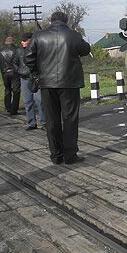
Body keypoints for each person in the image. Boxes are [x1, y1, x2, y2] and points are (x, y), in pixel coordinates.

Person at [26, 12, 91, 165]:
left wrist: (37, 72)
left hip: (47, 84)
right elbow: (86, 50)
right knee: (70, 119)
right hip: (69, 83)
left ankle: (56, 155)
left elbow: (28, 58)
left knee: (51, 120)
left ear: (51, 20)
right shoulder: (73, 35)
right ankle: (70, 155)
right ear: (66, 21)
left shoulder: (39, 35)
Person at [13, 32, 46, 130]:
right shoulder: (19, 51)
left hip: (35, 78)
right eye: (22, 41)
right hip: (24, 79)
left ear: (30, 40)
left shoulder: (38, 50)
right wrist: (19, 71)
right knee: (28, 102)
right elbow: (14, 63)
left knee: (40, 101)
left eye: (24, 40)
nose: (22, 42)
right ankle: (31, 123)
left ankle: (44, 122)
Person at [0, 36, 20, 115]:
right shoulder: (16, 50)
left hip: (4, 73)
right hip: (14, 72)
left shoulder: (0, 51)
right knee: (16, 91)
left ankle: (8, 107)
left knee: (7, 89)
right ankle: (14, 109)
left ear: (5, 42)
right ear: (12, 41)